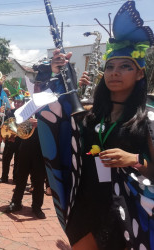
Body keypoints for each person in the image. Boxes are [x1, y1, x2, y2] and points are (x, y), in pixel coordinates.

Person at [37, 2, 154, 249]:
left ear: (140, 74)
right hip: (84, 202)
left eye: (125, 67)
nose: (115, 72)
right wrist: (54, 72)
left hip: (125, 211)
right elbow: (48, 112)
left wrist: (132, 158)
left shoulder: (146, 121)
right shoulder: (91, 113)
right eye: (110, 67)